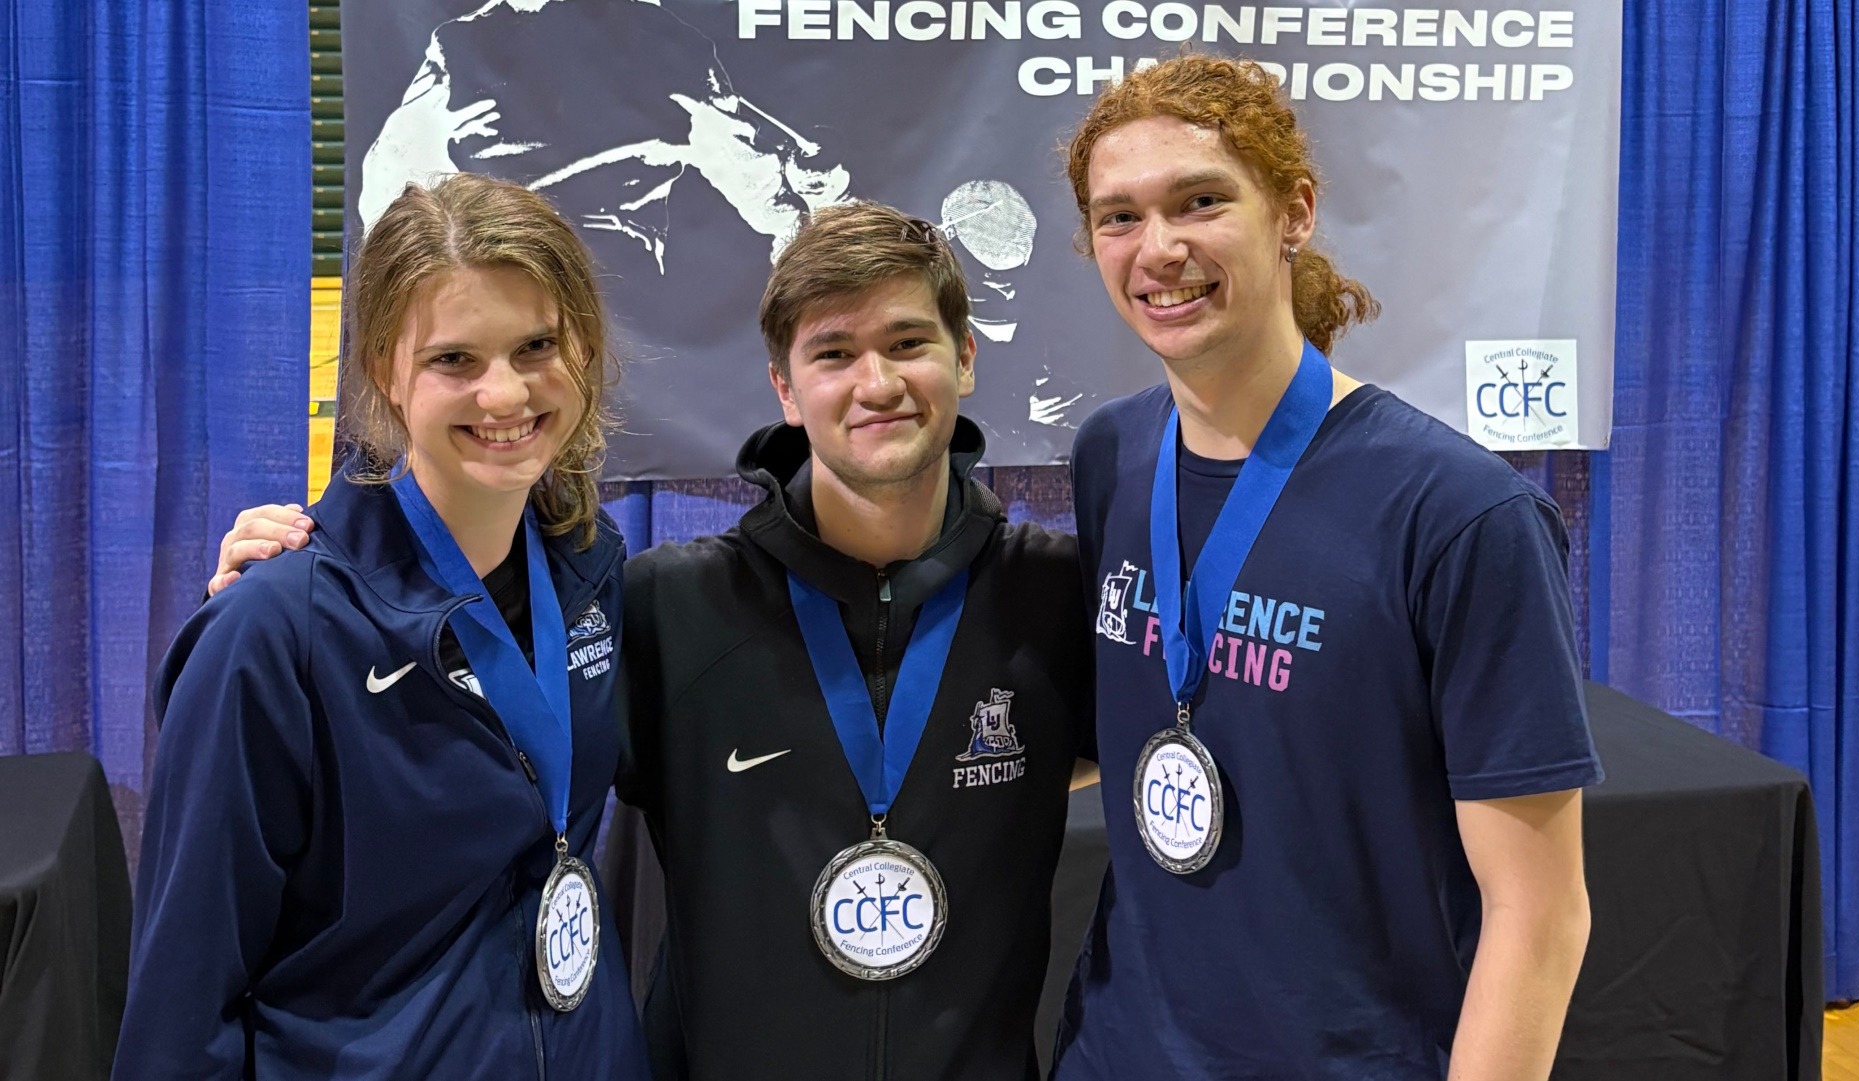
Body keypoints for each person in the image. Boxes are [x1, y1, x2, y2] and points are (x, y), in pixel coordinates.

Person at [211, 201, 1096, 1080]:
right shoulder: (670, 606)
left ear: (966, 358)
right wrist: (303, 577)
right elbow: (471, 732)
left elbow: (1151, 726)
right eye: (832, 352)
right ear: (784, 387)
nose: (876, 383)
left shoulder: (1056, 595)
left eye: (907, 343)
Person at [1052, 54, 1600, 1080]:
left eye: (1201, 201)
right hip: (1116, 1052)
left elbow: (1539, 911)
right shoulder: (1111, 455)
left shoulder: (1459, 512)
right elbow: (1113, 729)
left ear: (1293, 210)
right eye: (1119, 217)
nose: (1159, 249)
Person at [119, 174, 647, 1079]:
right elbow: (180, 1006)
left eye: (537, 345)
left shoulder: (594, 577)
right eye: (454, 360)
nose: (506, 393)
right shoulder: (275, 633)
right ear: (384, 374)